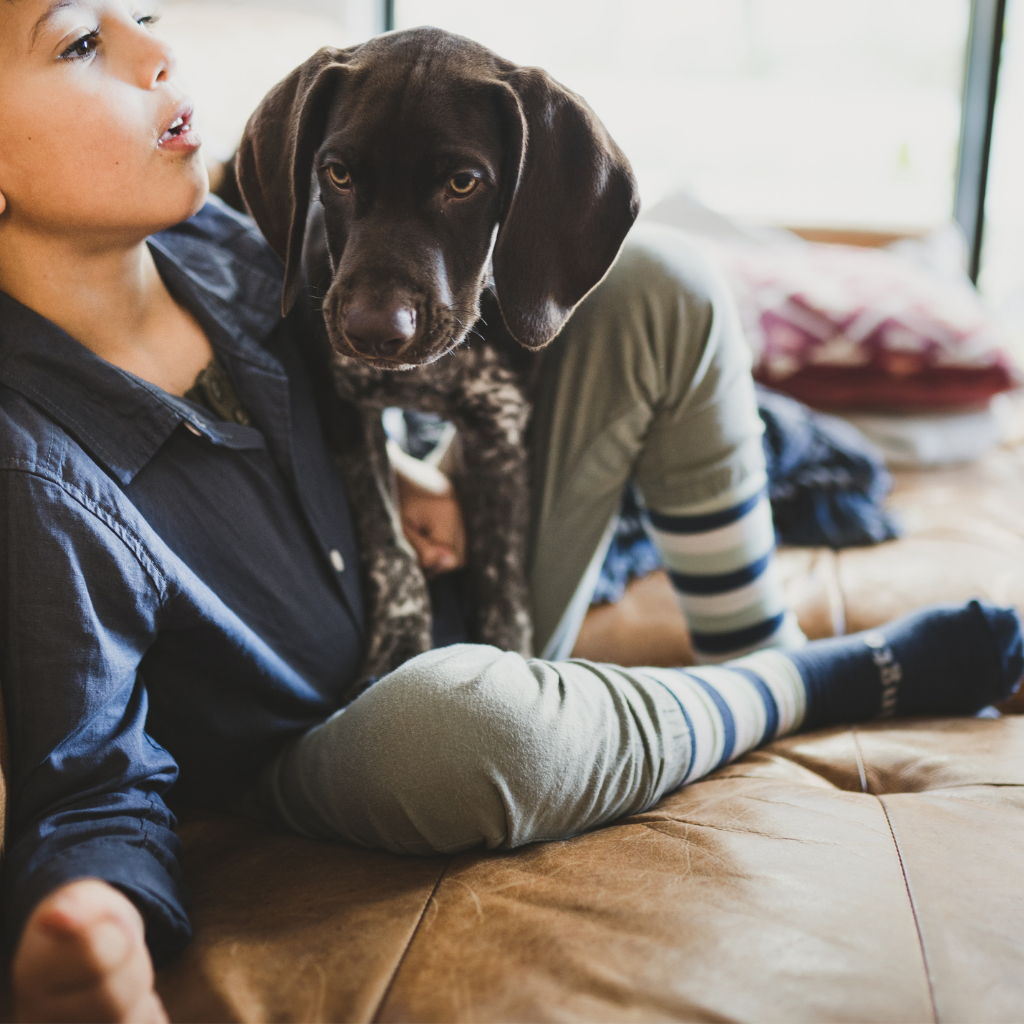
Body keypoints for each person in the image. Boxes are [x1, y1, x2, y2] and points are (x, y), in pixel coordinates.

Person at [1, 2, 1021, 1021]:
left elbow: (326, 395)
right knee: (471, 730)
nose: (157, 48)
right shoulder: (36, 468)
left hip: (470, 597)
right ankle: (811, 680)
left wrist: (405, 476)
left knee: (668, 281)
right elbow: (88, 778)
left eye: (141, 11)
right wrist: (93, 913)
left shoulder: (220, 241)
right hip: (331, 737)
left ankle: (746, 642)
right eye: (80, 42)